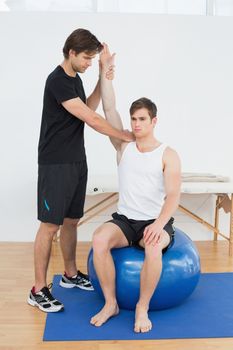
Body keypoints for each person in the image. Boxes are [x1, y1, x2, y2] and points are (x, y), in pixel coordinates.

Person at [27, 29, 133, 313]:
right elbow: (92, 119)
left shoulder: (75, 80)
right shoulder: (58, 81)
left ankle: (70, 274)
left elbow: (89, 106)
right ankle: (38, 289)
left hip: (76, 160)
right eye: (87, 58)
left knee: (72, 220)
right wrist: (124, 135)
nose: (88, 62)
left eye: (92, 58)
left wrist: (102, 73)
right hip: (55, 163)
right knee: (50, 226)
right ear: (71, 52)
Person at [90, 44, 181, 333]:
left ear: (154, 121)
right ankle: (110, 303)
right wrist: (106, 72)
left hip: (154, 220)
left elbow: (174, 195)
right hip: (126, 220)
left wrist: (159, 224)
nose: (137, 123)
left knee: (153, 249)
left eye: (142, 119)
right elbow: (109, 108)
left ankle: (142, 307)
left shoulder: (168, 153)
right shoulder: (124, 146)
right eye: (134, 119)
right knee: (99, 239)